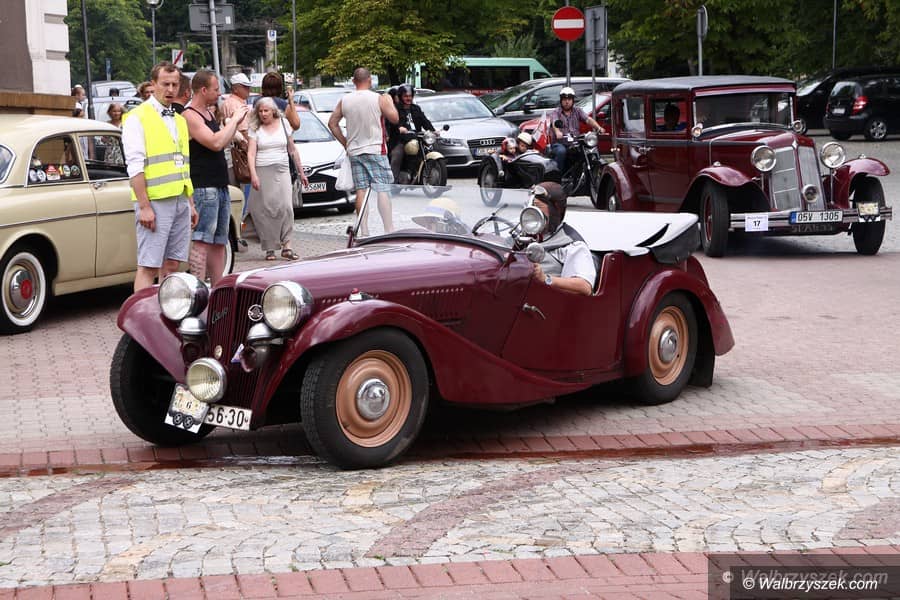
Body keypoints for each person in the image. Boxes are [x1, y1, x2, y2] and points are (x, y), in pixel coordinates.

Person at [122, 61, 198, 292]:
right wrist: (144, 206)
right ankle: (142, 314)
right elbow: (135, 166)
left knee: (173, 264)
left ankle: (168, 309)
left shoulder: (179, 120)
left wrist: (190, 203)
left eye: (175, 84)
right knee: (148, 266)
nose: (171, 89)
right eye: (165, 84)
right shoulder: (137, 117)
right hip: (155, 201)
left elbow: (183, 165)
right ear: (153, 84)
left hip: (179, 199)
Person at [183, 69, 250, 284]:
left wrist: (234, 127)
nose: (219, 93)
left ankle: (218, 287)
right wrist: (234, 120)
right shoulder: (190, 115)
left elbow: (222, 140)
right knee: (202, 239)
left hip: (220, 184)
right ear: (203, 90)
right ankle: (197, 287)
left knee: (220, 241)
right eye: (215, 89)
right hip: (204, 186)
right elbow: (215, 142)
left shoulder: (210, 113)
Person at [328, 67, 399, 230]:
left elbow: (332, 123)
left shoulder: (345, 100)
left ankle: (364, 230)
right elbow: (394, 118)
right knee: (382, 188)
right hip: (376, 149)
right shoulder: (378, 98)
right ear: (370, 80)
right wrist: (389, 100)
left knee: (361, 190)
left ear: (354, 81)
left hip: (355, 151)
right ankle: (388, 228)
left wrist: (346, 143)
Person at [247, 96, 307, 261]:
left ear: (273, 111)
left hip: (282, 169)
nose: (263, 114)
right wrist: (253, 174)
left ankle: (287, 246)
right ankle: (270, 247)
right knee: (267, 209)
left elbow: (292, 149)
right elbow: (251, 153)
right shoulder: (255, 128)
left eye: (266, 111)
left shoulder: (284, 123)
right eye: (260, 111)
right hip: (263, 169)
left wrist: (301, 172)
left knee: (286, 207)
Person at [529, 182, 596, 296]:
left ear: (555, 209)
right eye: (530, 206)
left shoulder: (571, 244)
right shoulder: (523, 234)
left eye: (538, 207)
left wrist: (545, 278)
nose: (531, 212)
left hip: (547, 302)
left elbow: (585, 286)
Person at [386, 84, 436, 182]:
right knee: (397, 155)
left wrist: (433, 131)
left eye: (410, 96)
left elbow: (425, 121)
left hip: (416, 138)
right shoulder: (395, 109)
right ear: (400, 96)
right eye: (405, 96)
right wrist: (399, 128)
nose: (408, 98)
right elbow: (390, 123)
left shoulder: (416, 108)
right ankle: (393, 182)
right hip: (400, 140)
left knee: (429, 149)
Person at [548, 87, 601, 173]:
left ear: (573, 100)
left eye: (569, 99)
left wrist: (598, 127)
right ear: (561, 100)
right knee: (561, 151)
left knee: (590, 148)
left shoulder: (577, 110)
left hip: (575, 142)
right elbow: (555, 122)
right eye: (564, 99)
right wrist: (557, 132)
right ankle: (557, 175)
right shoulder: (556, 112)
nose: (567, 102)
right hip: (560, 143)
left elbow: (588, 119)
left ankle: (589, 173)